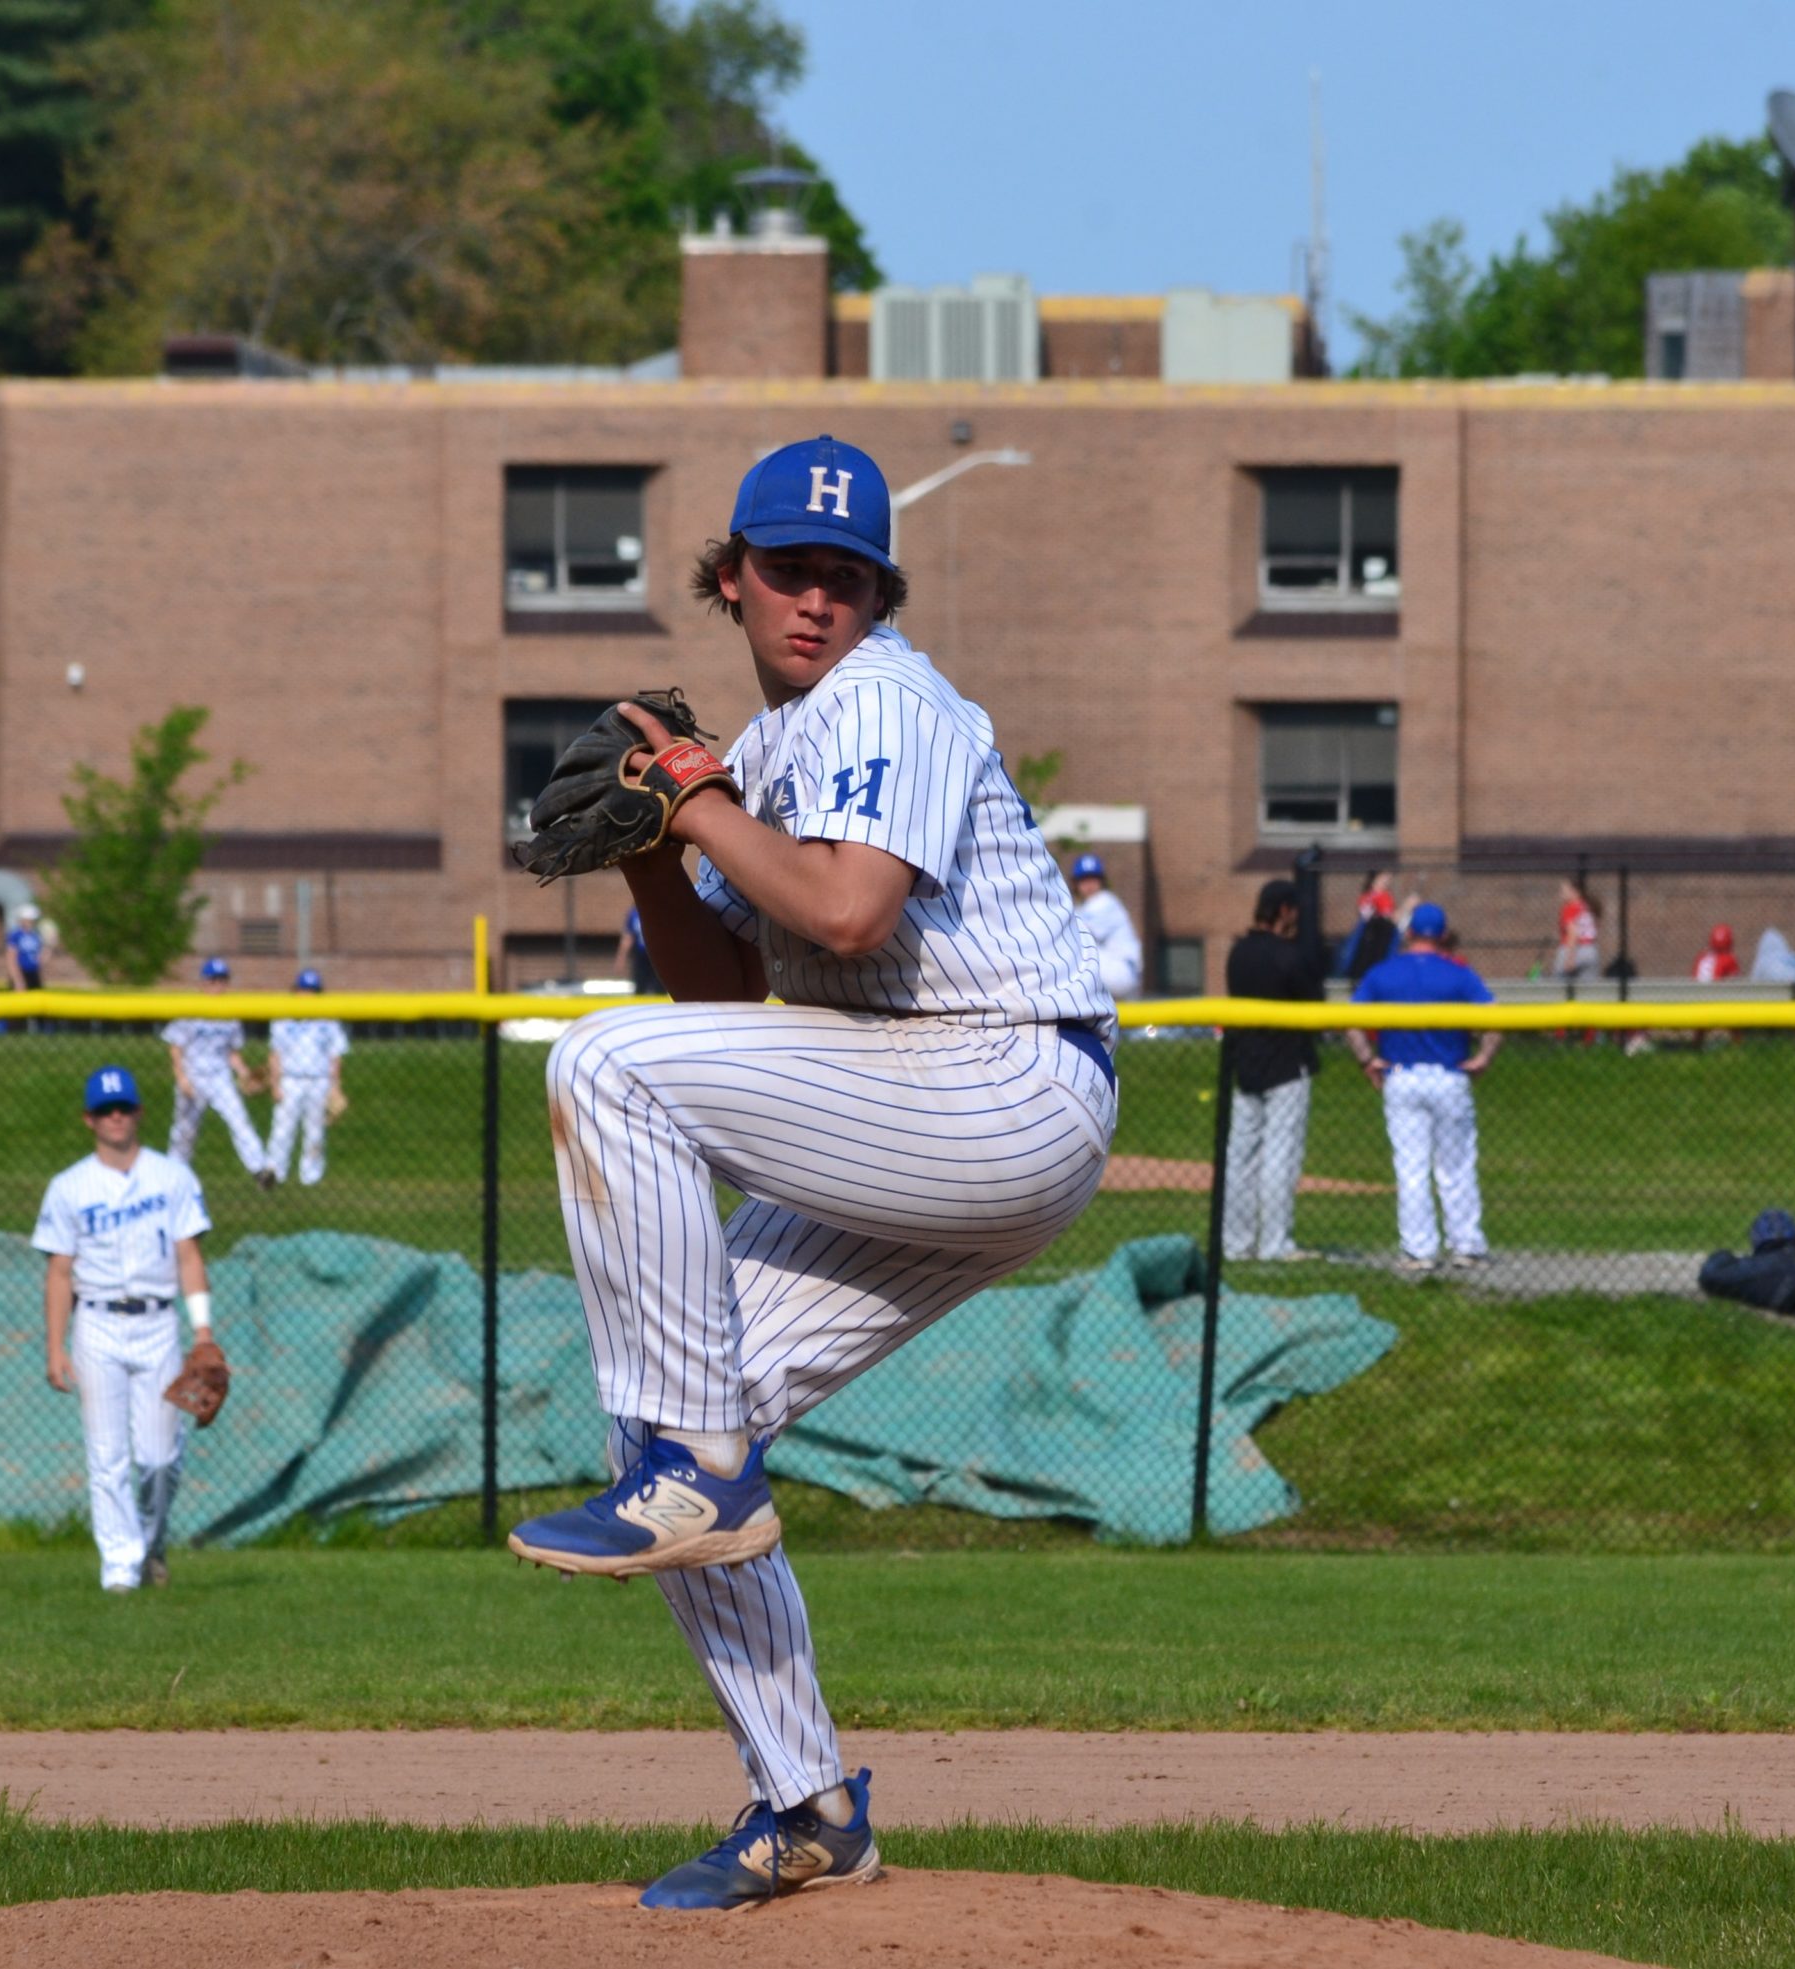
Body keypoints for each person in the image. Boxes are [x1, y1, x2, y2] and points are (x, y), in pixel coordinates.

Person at [504, 434, 1117, 1910]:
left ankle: (699, 1473)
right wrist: (657, 846)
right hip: (920, 1099)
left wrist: (697, 795)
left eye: (847, 578)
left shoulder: (882, 698)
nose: (817, 601)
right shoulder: (778, 749)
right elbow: (722, 1002)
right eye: (788, 571)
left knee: (597, 1066)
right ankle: (808, 1805)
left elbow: (844, 916)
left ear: (876, 598)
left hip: (998, 1073)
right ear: (732, 581)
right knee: (678, 1414)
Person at [32, 1064, 215, 1591]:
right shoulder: (69, 1186)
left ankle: (152, 1543)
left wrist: (202, 1331)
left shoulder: (172, 1177)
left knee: (160, 1458)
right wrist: (55, 1346)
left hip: (158, 1323)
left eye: (124, 1108)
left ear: (139, 1113)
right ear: (89, 1120)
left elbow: (189, 1256)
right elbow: (60, 1272)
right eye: (104, 1110)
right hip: (97, 1325)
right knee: (107, 1455)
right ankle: (120, 1568)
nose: (115, 1117)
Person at [1345, 902, 1499, 1271]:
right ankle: (1466, 1246)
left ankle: (1419, 1251)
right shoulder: (1459, 974)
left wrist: (1367, 1059)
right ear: (1443, 936)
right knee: (1456, 1165)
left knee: (1411, 1167)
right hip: (1449, 1076)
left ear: (1410, 934)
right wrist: (1483, 1057)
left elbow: (1349, 1020)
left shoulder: (1383, 972)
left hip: (1402, 1075)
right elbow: (1496, 1019)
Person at [1223, 878, 1321, 1261]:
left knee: (1240, 1157)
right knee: (1280, 1155)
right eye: (1294, 909)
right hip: (1286, 1066)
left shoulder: (1238, 953)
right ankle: (1275, 1244)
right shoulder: (1288, 955)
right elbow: (1316, 1002)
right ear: (1284, 911)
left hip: (1246, 1065)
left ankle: (1236, 1243)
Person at [161, 956, 275, 1189]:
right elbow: (176, 1048)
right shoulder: (190, 1010)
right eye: (213, 981)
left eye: (222, 981)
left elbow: (231, 1053)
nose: (218, 986)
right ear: (202, 984)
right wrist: (181, 1078)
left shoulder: (230, 1014)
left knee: (239, 1120)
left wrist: (244, 1073)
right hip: (193, 1075)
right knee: (185, 1129)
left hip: (220, 1078)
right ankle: (173, 1175)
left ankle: (260, 1170)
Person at [262, 968, 350, 1186]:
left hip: (319, 1080)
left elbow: (335, 1056)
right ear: (296, 991)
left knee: (315, 1131)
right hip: (290, 1079)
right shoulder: (283, 1018)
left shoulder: (328, 1020)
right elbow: (275, 1055)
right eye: (304, 989)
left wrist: (335, 1087)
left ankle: (311, 1176)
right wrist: (275, 1084)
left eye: (313, 990)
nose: (308, 994)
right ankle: (274, 1172)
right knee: (282, 1128)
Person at [1069, 852, 1144, 999]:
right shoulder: (1085, 907)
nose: (1089, 884)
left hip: (1121, 970)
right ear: (1076, 884)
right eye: (1084, 879)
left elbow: (1074, 929)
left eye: (1093, 878)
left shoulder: (1106, 901)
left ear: (1101, 881)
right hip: (1117, 973)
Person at [1340, 870, 1397, 982]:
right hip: (1377, 938)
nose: (1387, 882)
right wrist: (1407, 906)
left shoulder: (1370, 896)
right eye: (1383, 879)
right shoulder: (1380, 896)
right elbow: (1390, 917)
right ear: (1374, 880)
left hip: (1371, 938)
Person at [1555, 877, 1602, 986]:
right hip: (1591, 950)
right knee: (1588, 991)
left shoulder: (1570, 907)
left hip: (1574, 949)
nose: (1561, 893)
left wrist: (1570, 958)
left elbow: (1573, 932)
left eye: (1564, 890)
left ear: (1575, 891)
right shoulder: (1588, 906)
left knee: (1559, 988)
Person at [5, 903, 47, 992]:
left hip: (33, 974)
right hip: (21, 972)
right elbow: (11, 958)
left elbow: (40, 959)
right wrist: (18, 980)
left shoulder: (36, 935)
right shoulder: (16, 935)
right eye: (30, 920)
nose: (32, 922)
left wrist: (50, 947)